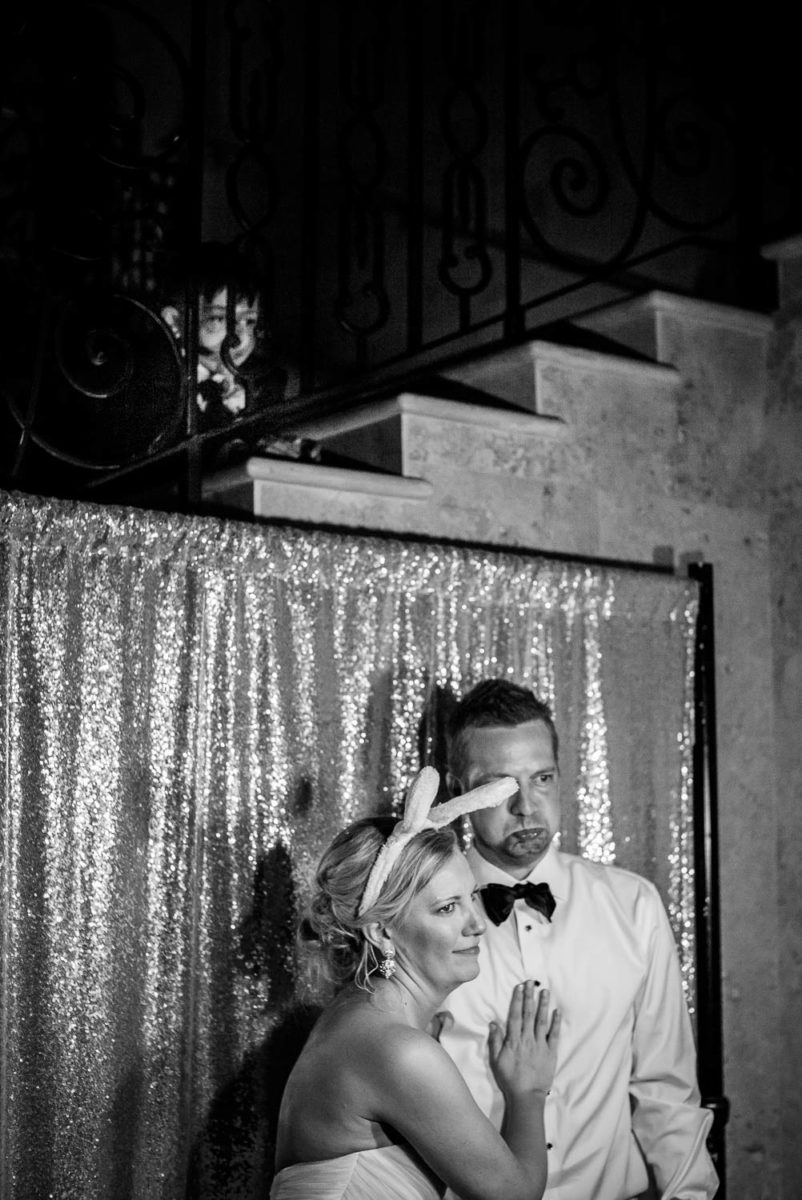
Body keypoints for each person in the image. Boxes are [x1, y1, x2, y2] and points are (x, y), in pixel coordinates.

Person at [437, 678, 718, 1200]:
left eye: (542, 778)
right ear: (458, 793)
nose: (527, 805)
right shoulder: (422, 919)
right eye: (500, 786)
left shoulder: (634, 906)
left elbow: (666, 1092)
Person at [270, 766, 561, 1200]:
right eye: (446, 908)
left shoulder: (361, 1016)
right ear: (381, 930)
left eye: (472, 897)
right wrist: (528, 1092)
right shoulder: (398, 1050)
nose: (477, 925)